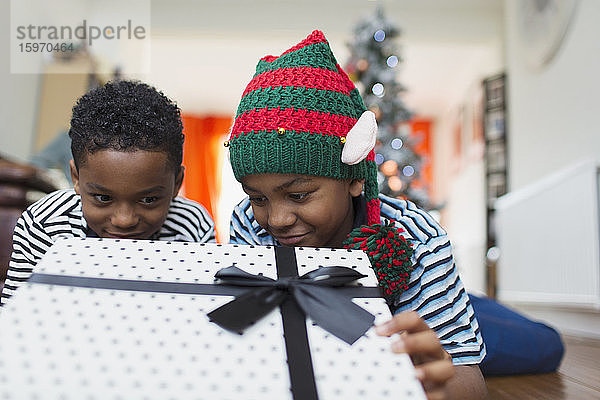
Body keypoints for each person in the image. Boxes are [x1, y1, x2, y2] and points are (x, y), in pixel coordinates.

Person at [227, 30, 487, 399]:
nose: (277, 219)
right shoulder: (247, 221)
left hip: (427, 305)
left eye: (299, 195)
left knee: (539, 347)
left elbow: (467, 380)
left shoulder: (419, 243)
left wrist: (436, 383)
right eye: (258, 197)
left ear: (352, 178)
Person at [1, 80, 215, 306]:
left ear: (176, 184)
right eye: (103, 198)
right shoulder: (44, 223)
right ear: (76, 178)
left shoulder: (192, 226)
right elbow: (17, 313)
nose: (124, 220)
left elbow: (200, 307)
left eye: (148, 200)